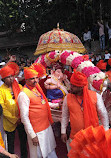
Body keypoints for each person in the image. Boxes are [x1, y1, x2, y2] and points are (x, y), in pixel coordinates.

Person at [61, 70, 109, 152]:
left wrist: (106, 131)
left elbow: (103, 114)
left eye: (73, 86)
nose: (70, 87)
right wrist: (63, 131)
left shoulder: (95, 96)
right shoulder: (68, 97)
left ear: (81, 87)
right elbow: (65, 115)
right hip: (74, 136)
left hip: (92, 137)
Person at [18, 63, 58, 158]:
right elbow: (24, 117)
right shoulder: (23, 95)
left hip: (46, 127)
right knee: (39, 154)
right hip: (36, 131)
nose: (35, 80)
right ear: (26, 79)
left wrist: (56, 105)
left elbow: (43, 103)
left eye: (36, 78)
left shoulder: (36, 89)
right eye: (32, 78)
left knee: (50, 151)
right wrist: (32, 135)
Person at [0, 62, 28, 157]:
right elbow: (3, 108)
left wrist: (21, 117)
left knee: (23, 141)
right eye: (8, 77)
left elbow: (24, 101)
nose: (11, 78)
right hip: (9, 122)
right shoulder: (1, 90)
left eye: (12, 76)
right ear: (3, 79)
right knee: (10, 144)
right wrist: (15, 119)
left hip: (21, 119)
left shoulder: (19, 87)